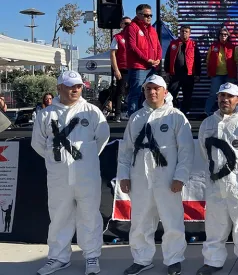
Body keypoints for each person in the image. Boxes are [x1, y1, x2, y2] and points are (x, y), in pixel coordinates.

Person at [31, 70, 110, 275]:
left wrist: (85, 159)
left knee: (89, 214)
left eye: (78, 86)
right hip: (59, 176)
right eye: (70, 86)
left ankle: (91, 256)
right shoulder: (46, 114)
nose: (75, 89)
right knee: (59, 215)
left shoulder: (92, 111)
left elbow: (102, 138)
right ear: (59, 88)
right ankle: (58, 257)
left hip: (86, 174)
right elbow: (38, 144)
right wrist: (57, 161)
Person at [117, 74, 194, 275]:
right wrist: (124, 175)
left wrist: (180, 177)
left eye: (156, 89)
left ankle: (174, 259)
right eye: (148, 89)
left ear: (165, 92)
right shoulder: (136, 117)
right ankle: (142, 259)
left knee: (171, 220)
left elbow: (186, 151)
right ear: (143, 91)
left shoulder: (176, 116)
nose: (152, 92)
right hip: (140, 178)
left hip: (167, 179)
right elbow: (125, 150)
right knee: (140, 220)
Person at [197, 82, 238, 275]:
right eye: (221, 96)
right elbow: (204, 152)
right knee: (214, 223)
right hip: (215, 183)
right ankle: (213, 261)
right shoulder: (208, 123)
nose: (224, 100)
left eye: (229, 96)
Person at [124, 4, 162, 116]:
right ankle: (133, 120)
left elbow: (158, 46)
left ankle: (144, 118)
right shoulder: (132, 27)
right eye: (146, 15)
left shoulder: (152, 29)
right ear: (138, 14)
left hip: (152, 67)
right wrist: (147, 59)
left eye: (151, 15)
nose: (149, 17)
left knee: (148, 94)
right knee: (135, 94)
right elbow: (132, 47)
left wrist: (158, 59)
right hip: (138, 67)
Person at [164, 25, 202, 115]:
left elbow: (197, 60)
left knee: (187, 95)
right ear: (179, 32)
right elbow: (167, 58)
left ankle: (185, 112)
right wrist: (167, 72)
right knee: (171, 94)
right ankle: (170, 111)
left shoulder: (193, 45)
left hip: (189, 74)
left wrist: (197, 74)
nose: (184, 33)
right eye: (182, 31)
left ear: (189, 33)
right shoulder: (173, 43)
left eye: (186, 31)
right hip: (175, 74)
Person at [204, 27, 238, 116]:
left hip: (229, 75)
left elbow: (237, 61)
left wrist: (237, 74)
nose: (223, 36)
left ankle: (232, 113)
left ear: (228, 36)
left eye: (225, 35)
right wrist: (208, 71)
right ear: (218, 36)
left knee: (230, 95)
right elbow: (208, 60)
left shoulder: (232, 47)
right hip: (216, 75)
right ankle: (206, 112)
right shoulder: (213, 46)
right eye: (222, 34)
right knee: (213, 94)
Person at [110, 16, 132, 122]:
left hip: (134, 68)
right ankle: (117, 114)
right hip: (122, 68)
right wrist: (116, 70)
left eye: (129, 23)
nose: (128, 25)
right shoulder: (117, 37)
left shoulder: (135, 36)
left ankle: (132, 113)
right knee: (120, 91)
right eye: (125, 23)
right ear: (121, 25)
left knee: (135, 91)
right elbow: (113, 54)